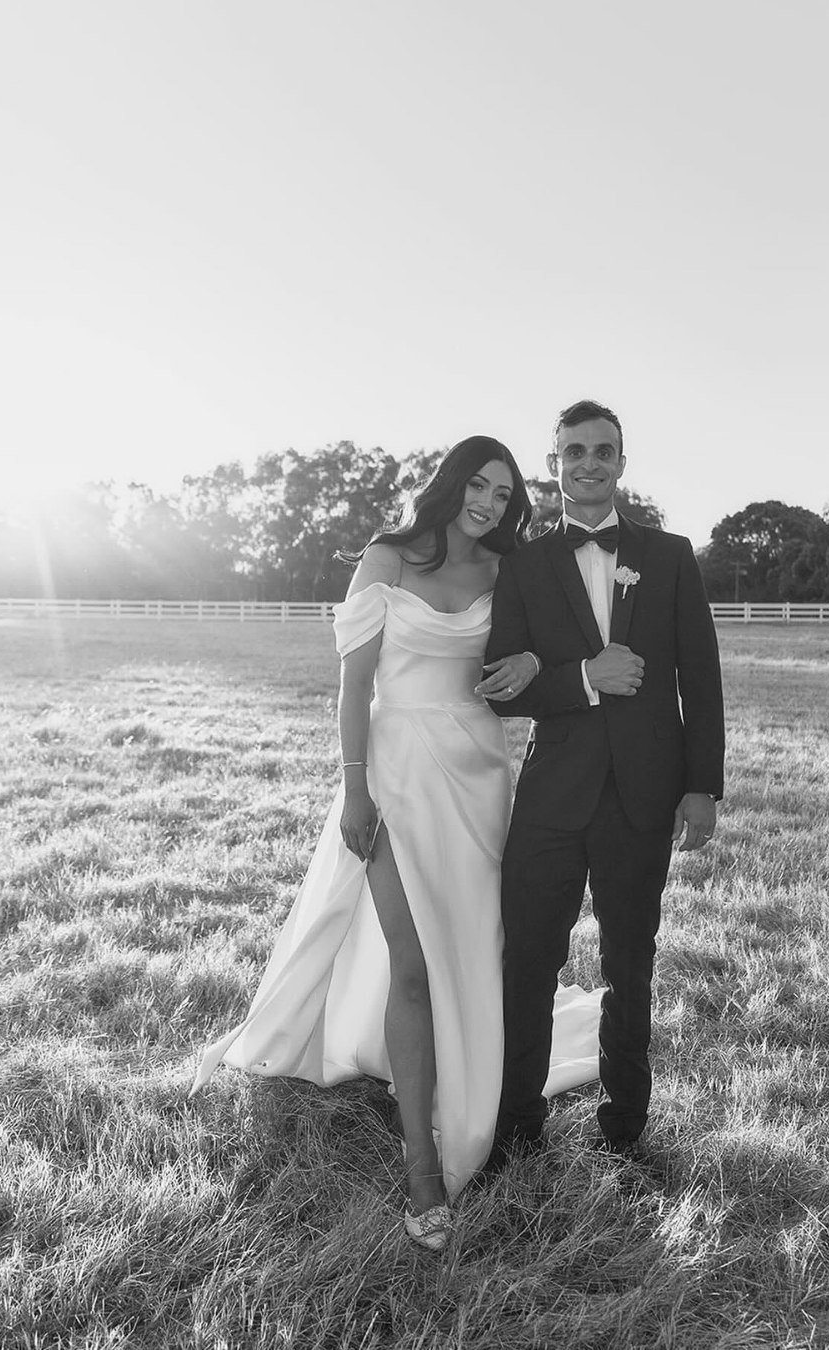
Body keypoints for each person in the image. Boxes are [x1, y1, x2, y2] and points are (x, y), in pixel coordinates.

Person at [191, 436, 601, 1252]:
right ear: (451, 484)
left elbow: (548, 653)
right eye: (477, 485)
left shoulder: (505, 568)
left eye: (502, 492)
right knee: (410, 959)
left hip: (479, 777)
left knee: (472, 949)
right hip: (394, 770)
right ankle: (422, 1167)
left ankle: (473, 1078)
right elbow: (355, 683)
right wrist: (354, 785)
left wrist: (524, 656)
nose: (487, 502)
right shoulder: (386, 557)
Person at [482, 400, 725, 1162]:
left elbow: (701, 677)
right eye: (573, 451)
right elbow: (507, 686)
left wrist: (701, 785)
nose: (588, 462)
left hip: (644, 792)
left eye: (603, 450)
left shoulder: (671, 554)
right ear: (552, 464)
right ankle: (518, 1125)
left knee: (630, 958)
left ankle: (625, 1128)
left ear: (622, 461)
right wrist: (584, 679)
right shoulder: (522, 565)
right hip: (552, 794)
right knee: (528, 959)